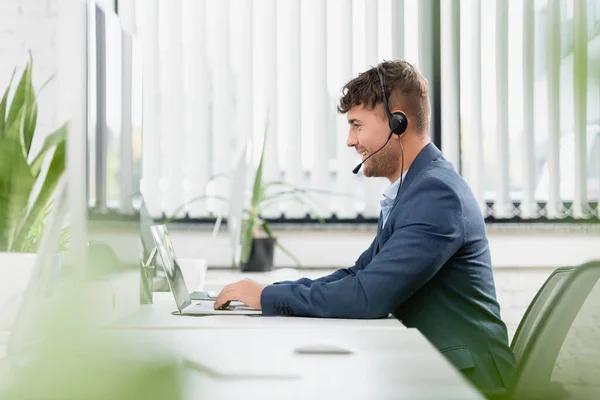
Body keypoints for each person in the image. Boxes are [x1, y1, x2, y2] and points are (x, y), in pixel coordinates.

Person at [214, 60, 516, 391]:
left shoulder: (435, 194)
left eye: (357, 125)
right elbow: (358, 276)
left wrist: (268, 297)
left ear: (397, 122)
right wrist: (271, 292)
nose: (349, 141)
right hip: (434, 368)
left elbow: (367, 297)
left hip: (469, 380)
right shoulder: (414, 188)